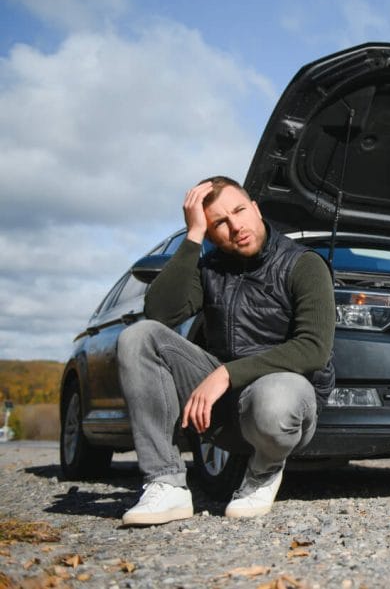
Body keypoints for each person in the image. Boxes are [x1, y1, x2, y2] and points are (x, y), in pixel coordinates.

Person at [117, 176, 335, 525]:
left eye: (239, 211)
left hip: (278, 404)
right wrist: (192, 237)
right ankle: (166, 483)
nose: (236, 226)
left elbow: (313, 349)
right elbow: (159, 312)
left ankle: (263, 472)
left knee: (276, 396)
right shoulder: (210, 268)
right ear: (210, 233)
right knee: (139, 337)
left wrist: (226, 373)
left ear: (256, 209)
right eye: (219, 222)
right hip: (222, 409)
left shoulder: (303, 264)